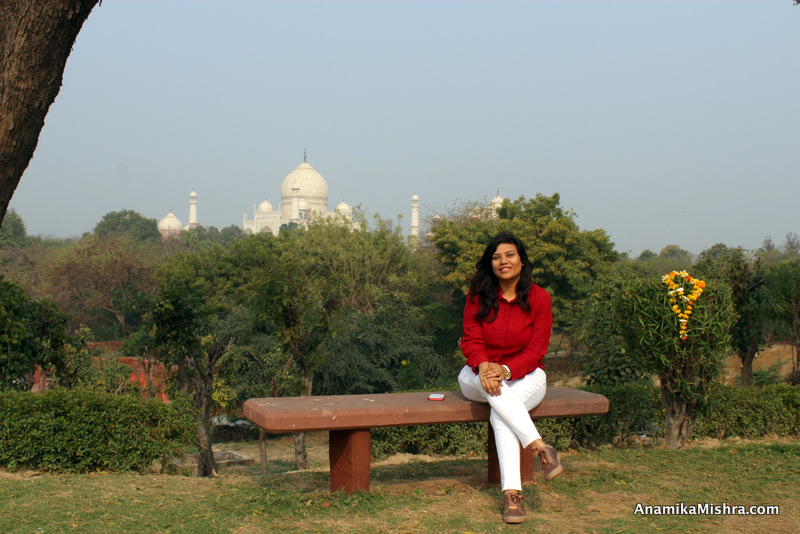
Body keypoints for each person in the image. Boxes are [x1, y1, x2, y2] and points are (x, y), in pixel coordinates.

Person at [458, 231, 561, 524]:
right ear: (490, 264)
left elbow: (536, 349)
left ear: (522, 260)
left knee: (500, 410)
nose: (503, 261)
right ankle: (541, 448)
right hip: (476, 375)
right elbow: (470, 339)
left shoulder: (540, 298)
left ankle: (512, 496)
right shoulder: (478, 295)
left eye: (509, 254)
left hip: (526, 375)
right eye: (496, 257)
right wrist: (483, 365)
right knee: (497, 394)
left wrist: (504, 370)